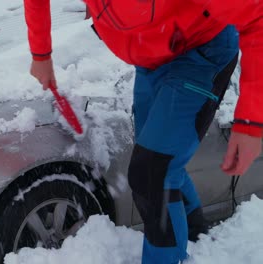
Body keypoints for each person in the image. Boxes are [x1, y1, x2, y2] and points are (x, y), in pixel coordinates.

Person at [23, 0, 263, 263]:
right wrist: (41, 54)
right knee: (159, 161)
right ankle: (196, 233)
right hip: (151, 58)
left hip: (201, 53)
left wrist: (251, 122)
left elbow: (256, 19)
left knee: (153, 172)